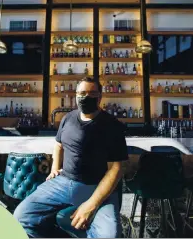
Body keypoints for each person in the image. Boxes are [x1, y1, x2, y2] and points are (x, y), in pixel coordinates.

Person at [14, 77, 128, 238]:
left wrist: (91, 205)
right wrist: (54, 169)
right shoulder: (68, 118)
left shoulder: (112, 125)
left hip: (95, 186)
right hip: (63, 182)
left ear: (100, 97)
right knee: (21, 218)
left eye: (92, 93)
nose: (86, 97)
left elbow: (116, 169)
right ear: (76, 95)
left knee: (109, 236)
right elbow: (58, 145)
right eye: (82, 93)